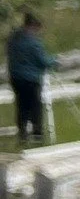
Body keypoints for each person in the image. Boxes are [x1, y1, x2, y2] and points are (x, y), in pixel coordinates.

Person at [7, 10, 55, 143]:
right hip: (31, 78)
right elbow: (43, 61)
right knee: (35, 106)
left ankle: (22, 134)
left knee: (21, 106)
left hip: (16, 78)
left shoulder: (13, 40)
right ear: (32, 26)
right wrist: (54, 61)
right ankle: (37, 134)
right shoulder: (34, 43)